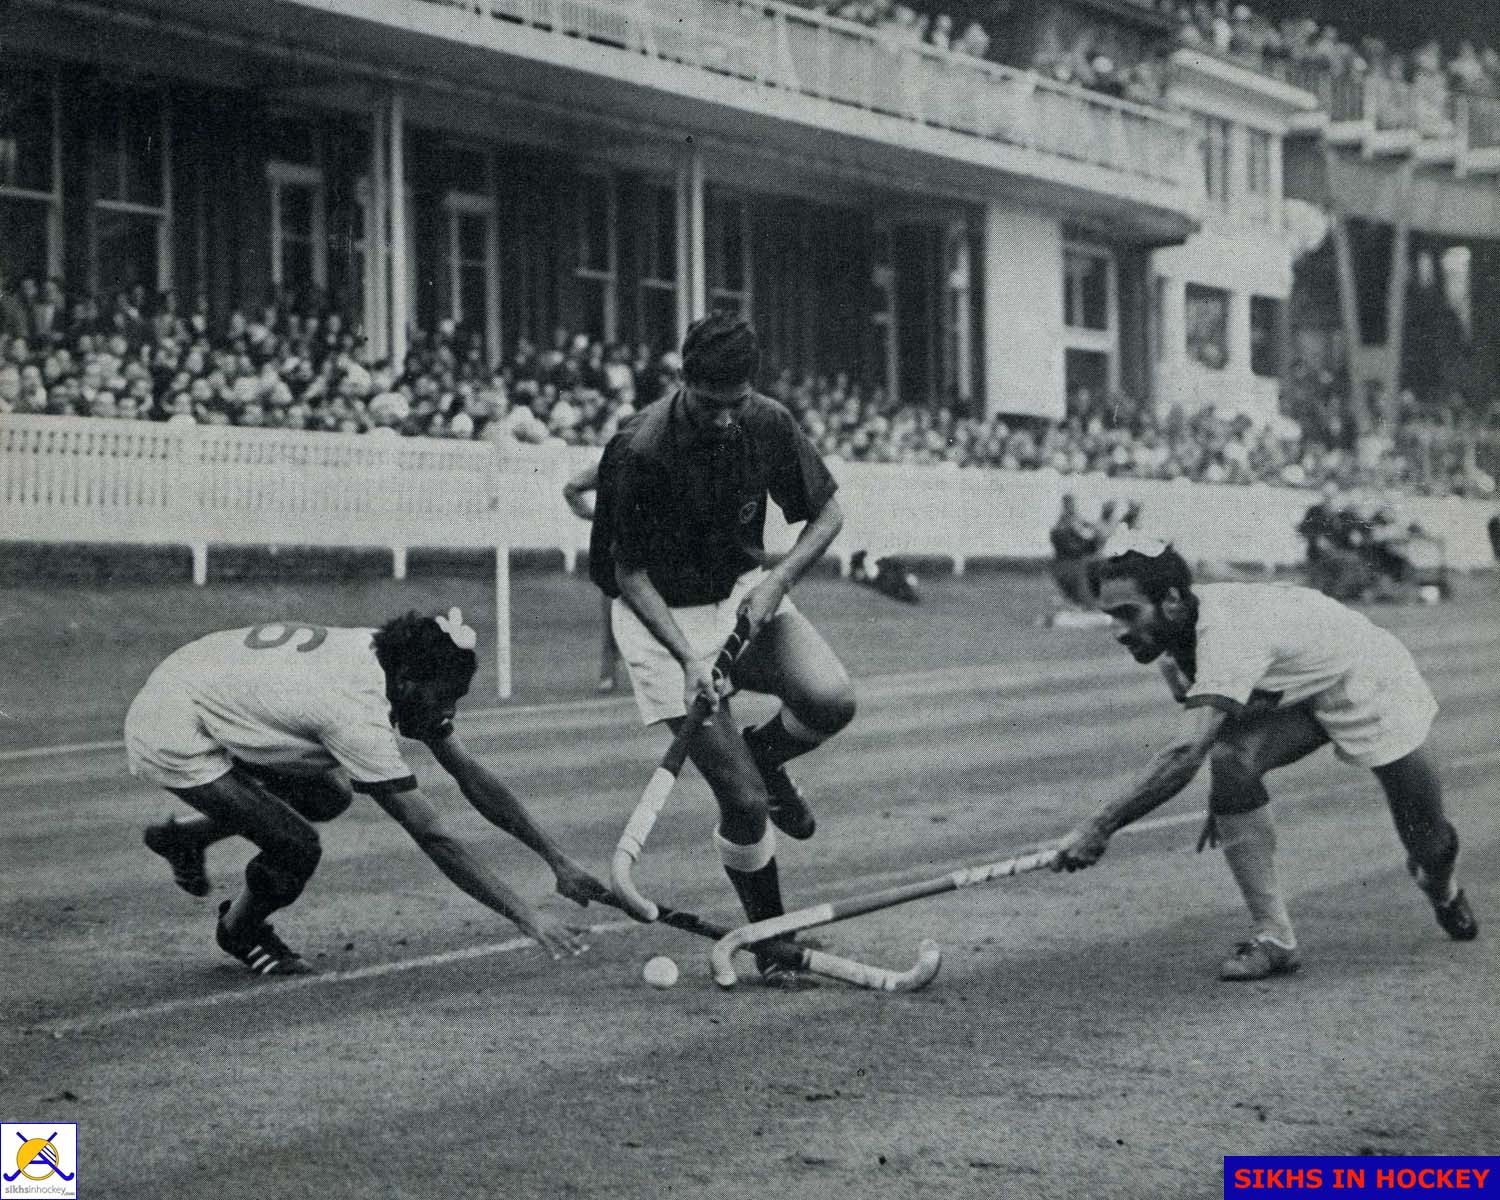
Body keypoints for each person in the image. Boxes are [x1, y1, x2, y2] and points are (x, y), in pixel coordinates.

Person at [1053, 537, 1478, 981]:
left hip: (1367, 678)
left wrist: (1099, 826)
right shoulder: (1175, 654)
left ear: (1174, 601)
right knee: (1231, 763)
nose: (1118, 631)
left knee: (1428, 843)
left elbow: (1185, 752)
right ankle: (1275, 938)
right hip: (1292, 688)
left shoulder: (1227, 636)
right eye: (1110, 616)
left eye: (1127, 613)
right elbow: (1216, 734)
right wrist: (1232, 798)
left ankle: (1442, 889)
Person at [591, 313, 856, 984]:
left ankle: (768, 757)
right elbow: (627, 574)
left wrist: (777, 581)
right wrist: (688, 659)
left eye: (733, 403)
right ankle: (771, 940)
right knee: (741, 801)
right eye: (709, 404)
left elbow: (827, 516)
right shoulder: (639, 447)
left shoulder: (765, 421)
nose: (722, 418)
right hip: (661, 620)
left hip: (740, 594)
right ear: (684, 381)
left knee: (831, 700)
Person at [128, 608, 609, 976]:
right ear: (407, 682)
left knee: (328, 797)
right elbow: (434, 836)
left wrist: (557, 859)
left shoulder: (387, 657)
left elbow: (469, 773)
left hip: (211, 679)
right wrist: (527, 916)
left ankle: (188, 839)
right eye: (445, 698)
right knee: (295, 846)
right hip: (175, 724)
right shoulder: (355, 711)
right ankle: (239, 930)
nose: (449, 712)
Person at [563, 462, 624, 692]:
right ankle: (608, 672)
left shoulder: (655, 457)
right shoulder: (610, 464)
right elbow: (571, 489)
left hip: (649, 548)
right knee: (612, 611)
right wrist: (597, 517)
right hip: (615, 549)